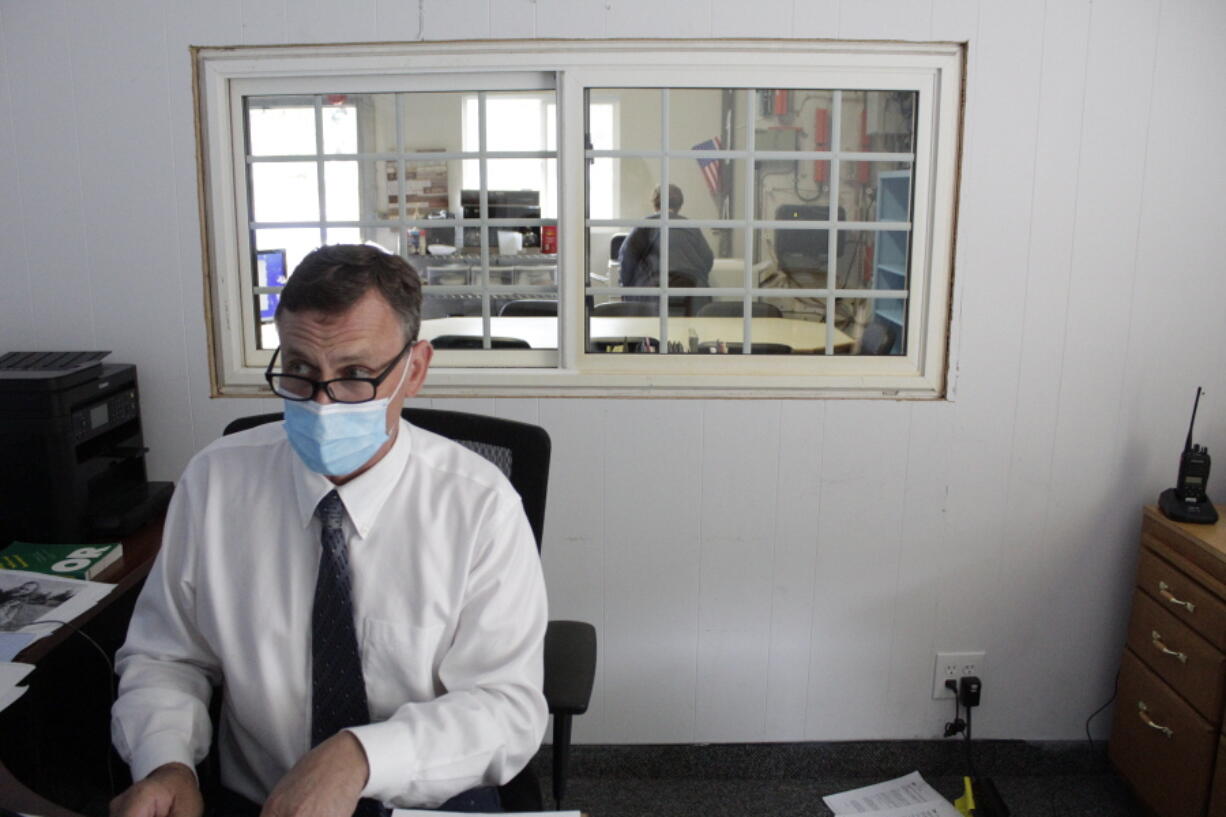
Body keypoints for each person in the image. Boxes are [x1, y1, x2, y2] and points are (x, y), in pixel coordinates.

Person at [110, 244, 547, 817]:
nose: (322, 402)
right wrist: (167, 761)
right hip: (258, 800)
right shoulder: (215, 482)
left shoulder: (480, 505)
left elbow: (506, 705)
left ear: (413, 370)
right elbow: (167, 657)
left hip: (428, 801)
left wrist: (360, 756)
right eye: (299, 370)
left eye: (356, 375)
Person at [617, 183, 714, 315]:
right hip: (692, 295)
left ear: (654, 204)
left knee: (652, 330)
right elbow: (707, 258)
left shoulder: (646, 225)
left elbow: (627, 259)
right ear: (679, 205)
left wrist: (626, 290)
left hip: (653, 295)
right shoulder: (691, 227)